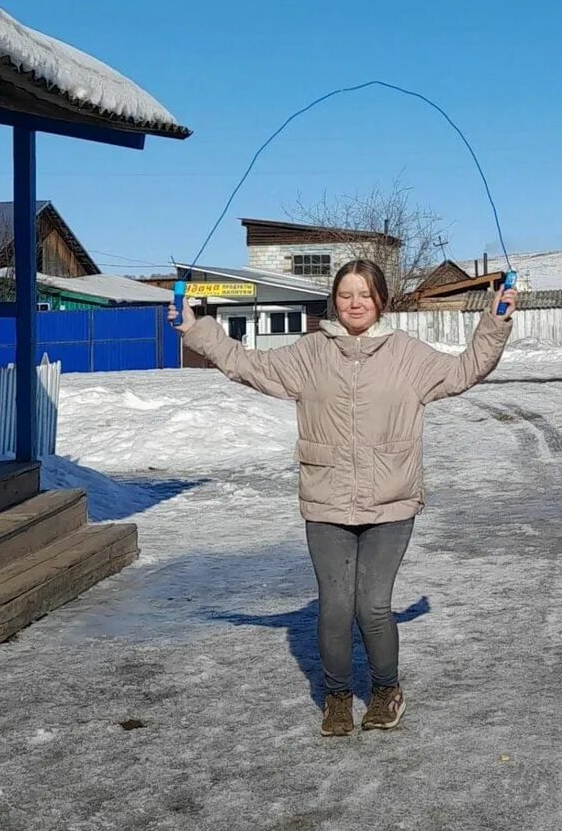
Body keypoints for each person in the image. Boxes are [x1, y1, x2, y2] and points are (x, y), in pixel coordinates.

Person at [174, 259, 516, 735]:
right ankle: (337, 699)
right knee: (334, 606)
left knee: (372, 605)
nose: (355, 303)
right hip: (327, 500)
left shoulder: (407, 355)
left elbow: (466, 369)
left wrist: (495, 320)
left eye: (365, 294)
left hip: (390, 503)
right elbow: (247, 364)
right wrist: (198, 330)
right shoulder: (310, 353)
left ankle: (385, 691)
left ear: (381, 301)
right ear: (334, 300)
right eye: (346, 294)